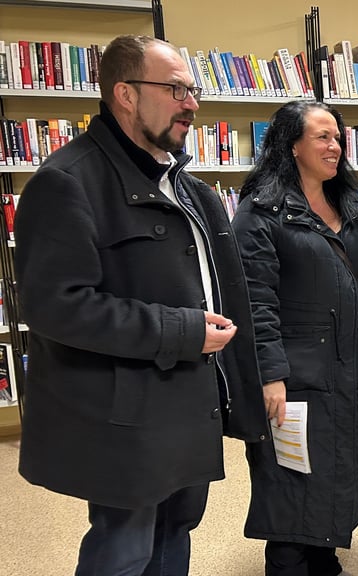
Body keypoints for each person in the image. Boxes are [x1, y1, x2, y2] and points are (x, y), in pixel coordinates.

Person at [13, 34, 267, 576]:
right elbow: (57, 306)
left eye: (193, 91)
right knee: (124, 548)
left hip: (187, 402)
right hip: (126, 416)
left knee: (175, 534)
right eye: (176, 89)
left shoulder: (186, 186)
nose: (191, 104)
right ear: (125, 94)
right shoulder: (67, 182)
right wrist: (183, 331)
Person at [231, 100, 358, 576]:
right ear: (292, 145)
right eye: (322, 136)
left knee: (336, 469)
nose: (334, 145)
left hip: (345, 370)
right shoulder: (260, 213)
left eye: (337, 137)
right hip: (293, 378)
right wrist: (270, 376)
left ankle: (325, 561)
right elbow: (254, 303)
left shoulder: (350, 205)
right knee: (290, 482)